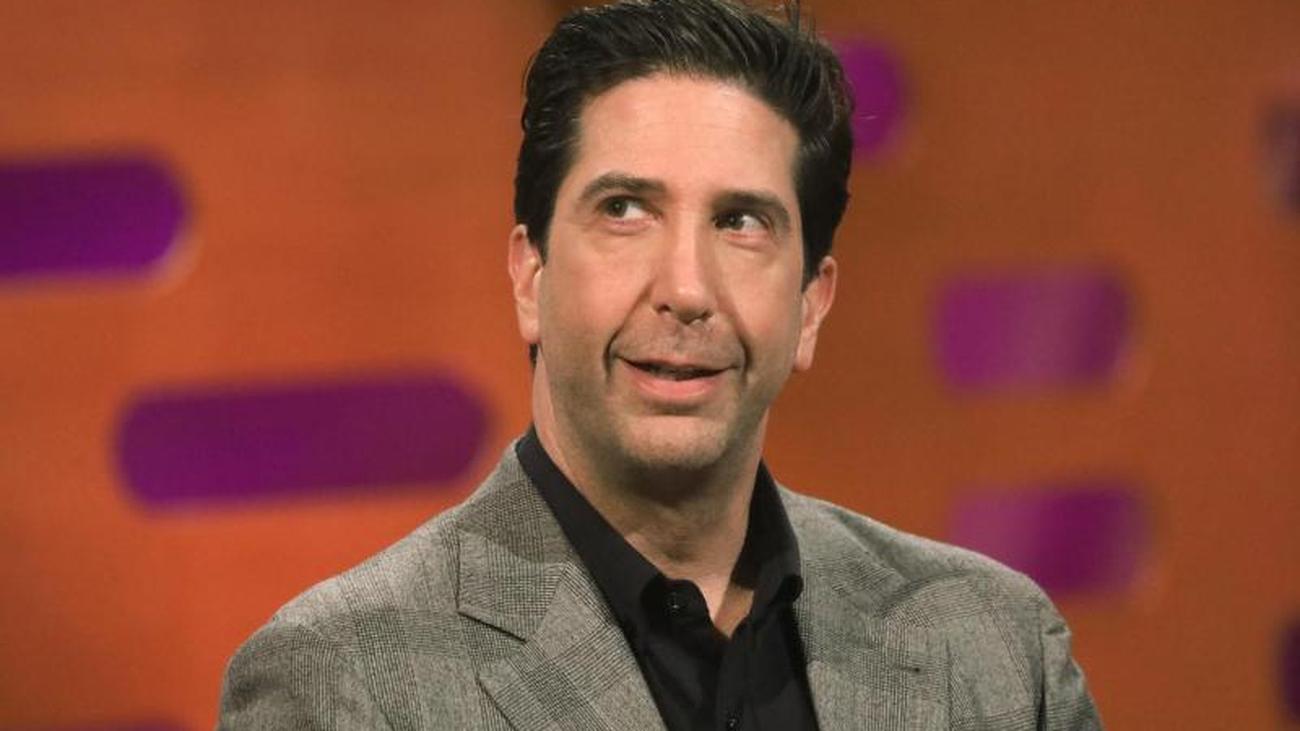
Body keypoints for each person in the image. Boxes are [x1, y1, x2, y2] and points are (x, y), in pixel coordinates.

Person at [218, 1, 1102, 729]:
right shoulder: (342, 682)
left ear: (810, 305)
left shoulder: (994, 651)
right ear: (530, 275)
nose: (686, 289)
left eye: (741, 222)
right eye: (626, 209)